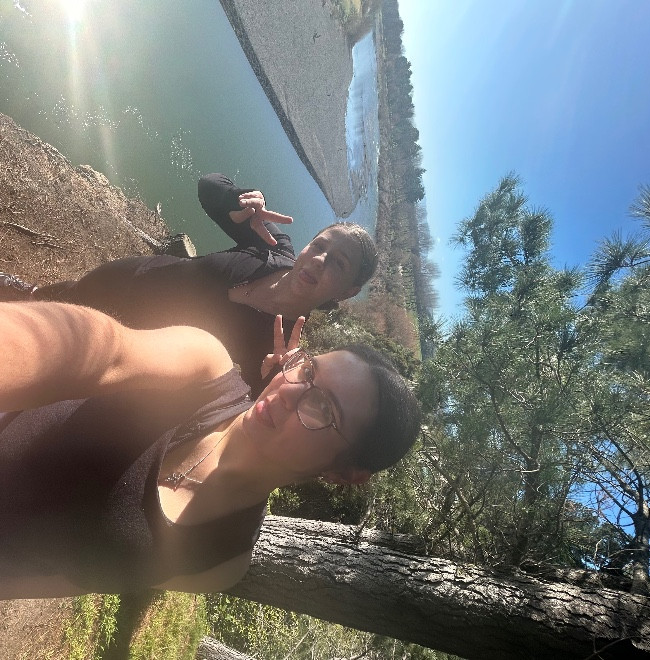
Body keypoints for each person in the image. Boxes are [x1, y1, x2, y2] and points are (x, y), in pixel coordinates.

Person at [0, 302, 421, 599]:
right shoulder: (203, 370)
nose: (289, 390)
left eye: (324, 407)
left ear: (345, 473)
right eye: (307, 369)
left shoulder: (219, 562)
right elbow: (97, 348)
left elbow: (63, 577)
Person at [0, 173, 378, 397]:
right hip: (125, 279)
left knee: (34, 367)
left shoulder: (280, 348)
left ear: (347, 292)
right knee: (50, 301)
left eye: (338, 263)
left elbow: (232, 409)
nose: (318, 259)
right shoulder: (271, 247)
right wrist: (237, 201)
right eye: (320, 245)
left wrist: (269, 385)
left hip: (118, 356)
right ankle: (22, 292)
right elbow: (208, 186)